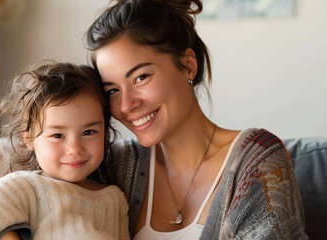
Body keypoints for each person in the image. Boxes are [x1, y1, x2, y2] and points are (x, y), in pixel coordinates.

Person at [84, 0, 308, 239]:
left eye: (141, 77)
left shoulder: (257, 161)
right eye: (113, 91)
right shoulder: (114, 164)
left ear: (189, 66)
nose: (126, 105)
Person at [0, 61, 129, 240]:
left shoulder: (115, 199)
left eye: (88, 132)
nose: (75, 148)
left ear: (105, 133)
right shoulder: (24, 186)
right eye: (57, 135)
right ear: (29, 139)